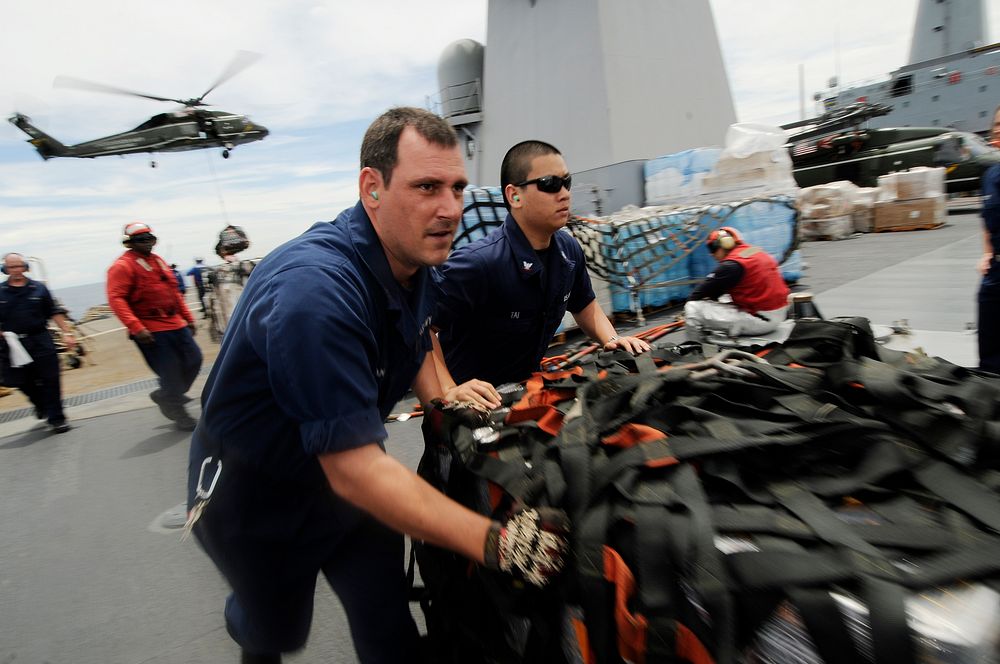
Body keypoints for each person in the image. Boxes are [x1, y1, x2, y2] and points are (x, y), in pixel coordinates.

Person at [187, 108, 568, 664]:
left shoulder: (415, 258)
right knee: (275, 634)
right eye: (426, 187)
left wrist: (443, 394)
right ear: (372, 187)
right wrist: (499, 543)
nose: (450, 209)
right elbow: (357, 472)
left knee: (389, 629)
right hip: (258, 497)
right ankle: (249, 618)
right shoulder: (315, 295)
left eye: (457, 188)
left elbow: (416, 336)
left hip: (350, 482)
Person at [432, 139, 649, 389]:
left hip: (525, 395)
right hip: (469, 412)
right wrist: (449, 391)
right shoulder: (479, 263)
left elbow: (585, 305)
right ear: (514, 195)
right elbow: (422, 329)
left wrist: (612, 339)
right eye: (550, 184)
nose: (565, 194)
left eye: (566, 183)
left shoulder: (568, 252)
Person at [107, 223, 203, 431]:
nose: (147, 243)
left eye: (150, 239)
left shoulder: (158, 261)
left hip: (175, 323)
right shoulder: (122, 266)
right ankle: (178, 412)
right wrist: (136, 327)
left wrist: (188, 318)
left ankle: (166, 395)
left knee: (195, 360)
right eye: (141, 240)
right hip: (151, 330)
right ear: (130, 243)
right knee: (170, 371)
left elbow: (174, 292)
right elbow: (116, 299)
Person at [0, 253, 75, 433]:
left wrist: (67, 333)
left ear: (25, 267)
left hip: (41, 339)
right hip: (13, 343)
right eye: (12, 267)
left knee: (51, 378)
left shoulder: (39, 288)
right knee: (21, 381)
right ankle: (40, 403)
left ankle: (57, 418)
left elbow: (54, 311)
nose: (16, 270)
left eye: (19, 266)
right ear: (5, 269)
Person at [684, 225, 791, 339]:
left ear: (723, 245)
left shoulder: (731, 265)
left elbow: (696, 295)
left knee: (693, 307)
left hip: (761, 321)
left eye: (712, 249)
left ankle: (694, 346)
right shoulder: (754, 251)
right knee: (725, 297)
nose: (711, 254)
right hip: (778, 312)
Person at [977, 103, 1000, 374]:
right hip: (996, 271)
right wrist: (986, 252)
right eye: (997, 125)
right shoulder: (991, 176)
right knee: (990, 350)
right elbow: (986, 217)